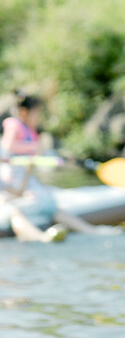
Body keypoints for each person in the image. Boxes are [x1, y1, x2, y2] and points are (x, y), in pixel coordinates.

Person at [0, 92, 113, 241]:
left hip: (23, 179)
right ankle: (41, 238)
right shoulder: (14, 124)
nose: (38, 118)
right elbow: (7, 148)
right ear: (23, 112)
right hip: (10, 178)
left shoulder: (31, 131)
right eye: (36, 113)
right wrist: (32, 148)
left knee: (51, 206)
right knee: (15, 210)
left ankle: (91, 231)